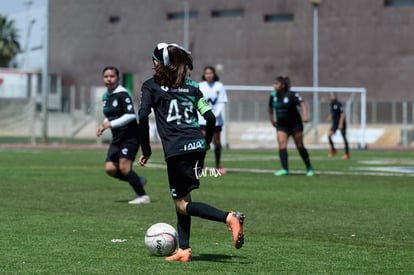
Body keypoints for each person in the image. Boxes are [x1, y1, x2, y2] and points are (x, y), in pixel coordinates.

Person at [138, 43, 244, 262]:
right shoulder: (193, 86)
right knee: (182, 196)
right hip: (196, 146)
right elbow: (211, 118)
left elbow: (142, 117)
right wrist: (205, 143)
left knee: (182, 204)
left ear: (157, 64)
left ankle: (229, 217)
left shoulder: (151, 86)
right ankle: (184, 249)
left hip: (177, 150)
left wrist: (146, 149)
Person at [96, 66, 150, 204]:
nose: (109, 79)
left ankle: (143, 196)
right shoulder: (106, 96)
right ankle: (138, 181)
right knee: (110, 169)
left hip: (130, 137)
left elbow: (130, 115)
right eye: (106, 76)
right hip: (117, 138)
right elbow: (110, 116)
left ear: (118, 78)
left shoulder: (122, 94)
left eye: (112, 76)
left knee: (124, 168)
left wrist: (111, 124)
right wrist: (103, 125)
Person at [268, 75, 313, 176]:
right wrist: (271, 120)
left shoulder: (291, 95)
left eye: (276, 84)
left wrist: (305, 115)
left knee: (299, 145)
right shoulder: (273, 96)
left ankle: (309, 167)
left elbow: (302, 103)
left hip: (295, 124)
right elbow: (270, 108)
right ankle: (285, 169)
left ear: (283, 85)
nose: (274, 86)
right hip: (282, 125)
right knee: (282, 144)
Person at [198, 66, 228, 174]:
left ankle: (218, 165)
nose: (209, 75)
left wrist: (216, 114)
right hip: (202, 120)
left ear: (214, 74)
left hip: (216, 120)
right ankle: (200, 166)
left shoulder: (219, 86)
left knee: (217, 142)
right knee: (202, 142)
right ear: (204, 75)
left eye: (210, 73)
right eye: (207, 73)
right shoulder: (200, 86)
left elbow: (221, 101)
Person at [327, 93, 350, 159]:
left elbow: (342, 114)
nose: (331, 97)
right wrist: (330, 117)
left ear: (335, 96)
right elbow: (333, 112)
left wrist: (341, 123)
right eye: (330, 96)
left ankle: (347, 153)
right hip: (335, 123)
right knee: (329, 135)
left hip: (341, 122)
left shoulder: (339, 104)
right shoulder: (331, 104)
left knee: (344, 137)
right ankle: (333, 150)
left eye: (332, 96)